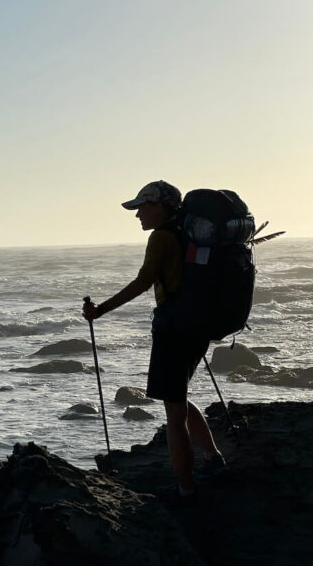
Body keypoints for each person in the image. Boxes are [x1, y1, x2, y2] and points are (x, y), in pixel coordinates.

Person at [82, 180, 227, 503]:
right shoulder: (187, 234)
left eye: (142, 208)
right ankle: (215, 459)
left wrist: (100, 310)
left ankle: (186, 489)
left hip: (175, 332)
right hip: (196, 327)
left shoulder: (162, 237)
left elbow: (143, 281)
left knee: (173, 414)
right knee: (178, 398)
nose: (137, 215)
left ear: (160, 207)